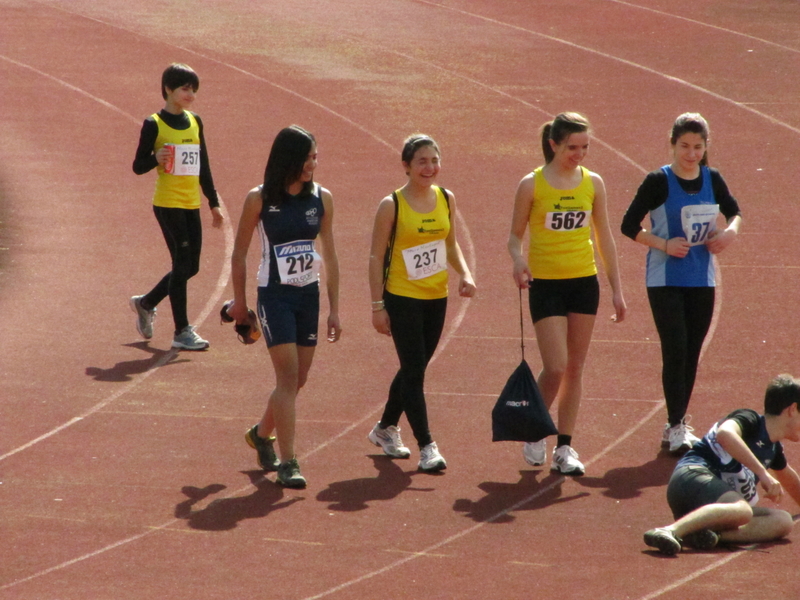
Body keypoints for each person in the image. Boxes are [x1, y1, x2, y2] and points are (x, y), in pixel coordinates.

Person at [508, 112, 626, 476]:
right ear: (553, 144)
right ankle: (535, 431)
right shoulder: (532, 185)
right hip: (545, 284)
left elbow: (603, 237)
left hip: (582, 283)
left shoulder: (594, 184)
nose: (579, 154)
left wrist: (616, 289)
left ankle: (565, 447)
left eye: (585, 147)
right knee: (556, 365)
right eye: (572, 147)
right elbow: (514, 237)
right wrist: (518, 260)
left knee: (575, 367)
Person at [621, 113, 742, 454]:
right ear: (672, 144)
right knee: (675, 348)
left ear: (706, 148)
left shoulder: (712, 178)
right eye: (685, 146)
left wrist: (729, 233)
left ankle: (677, 422)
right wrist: (664, 244)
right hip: (664, 278)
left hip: (701, 278)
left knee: (691, 353)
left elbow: (735, 212)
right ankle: (676, 425)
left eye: (698, 147)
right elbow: (628, 225)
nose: (691, 153)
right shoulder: (657, 181)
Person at [230, 125, 340, 489]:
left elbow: (331, 254)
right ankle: (289, 461)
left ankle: (261, 434)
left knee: (299, 380)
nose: (314, 164)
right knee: (288, 378)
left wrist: (334, 308)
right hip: (273, 296)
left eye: (315, 157)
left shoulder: (321, 198)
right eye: (308, 157)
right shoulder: (259, 199)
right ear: (290, 158)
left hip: (308, 296)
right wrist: (243, 305)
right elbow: (240, 253)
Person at [367, 134, 476, 472]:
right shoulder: (392, 205)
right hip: (401, 297)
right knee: (414, 372)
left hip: (436, 296)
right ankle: (427, 445)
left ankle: (385, 427)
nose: (430, 168)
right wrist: (377, 306)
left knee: (415, 368)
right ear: (406, 166)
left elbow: (450, 242)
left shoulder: (446, 198)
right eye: (422, 162)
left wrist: (465, 274)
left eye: (434, 161)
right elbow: (375, 257)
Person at [644, 374, 800, 555]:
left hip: (716, 507)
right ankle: (670, 530)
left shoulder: (773, 449)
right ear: (792, 409)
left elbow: (790, 480)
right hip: (691, 478)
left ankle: (707, 535)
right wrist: (763, 474)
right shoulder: (750, 420)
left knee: (783, 520)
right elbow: (725, 434)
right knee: (743, 510)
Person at [130, 63, 223, 351]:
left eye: (194, 89)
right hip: (168, 204)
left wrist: (213, 202)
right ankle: (182, 331)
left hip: (190, 203)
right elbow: (137, 166)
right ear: (168, 89)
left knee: (191, 266)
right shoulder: (154, 124)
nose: (190, 94)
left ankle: (146, 303)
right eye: (185, 88)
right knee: (182, 265)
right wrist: (156, 157)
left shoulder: (195, 121)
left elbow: (203, 164)